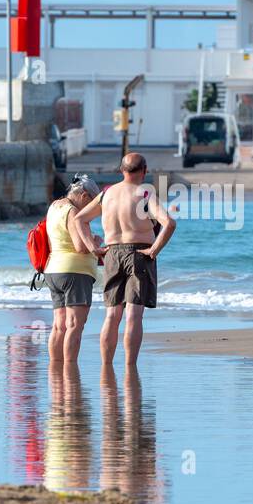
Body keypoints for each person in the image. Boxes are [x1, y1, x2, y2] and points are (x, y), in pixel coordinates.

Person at [76, 151, 175, 366]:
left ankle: (106, 365)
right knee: (133, 315)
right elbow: (169, 223)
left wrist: (93, 247)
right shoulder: (145, 194)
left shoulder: (106, 194)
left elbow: (80, 219)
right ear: (145, 171)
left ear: (121, 170)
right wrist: (154, 250)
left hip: (112, 253)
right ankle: (130, 366)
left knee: (112, 315)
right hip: (139, 253)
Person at [44, 174, 104, 365]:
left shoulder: (54, 207)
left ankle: (55, 368)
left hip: (53, 269)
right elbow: (80, 246)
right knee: (75, 325)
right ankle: (70, 368)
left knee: (59, 326)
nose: (91, 208)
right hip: (75, 271)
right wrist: (95, 241)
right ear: (84, 195)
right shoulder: (73, 212)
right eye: (92, 202)